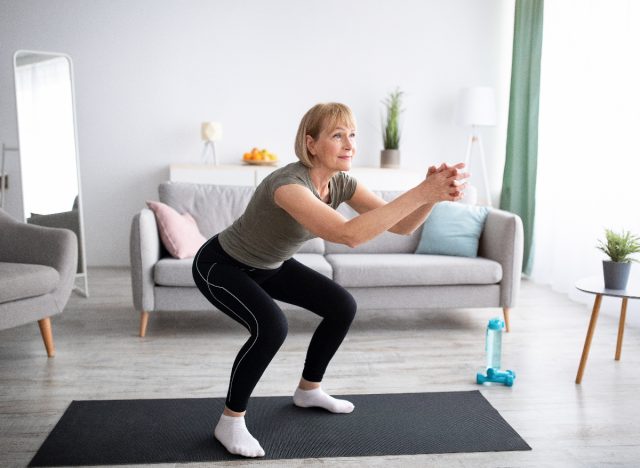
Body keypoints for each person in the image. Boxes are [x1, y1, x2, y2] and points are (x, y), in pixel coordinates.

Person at [192, 102, 468, 458]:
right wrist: (423, 191)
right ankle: (230, 420)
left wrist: (432, 196)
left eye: (352, 135)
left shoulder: (342, 183)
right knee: (271, 327)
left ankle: (309, 389)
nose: (350, 144)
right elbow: (348, 235)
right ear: (311, 143)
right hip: (222, 265)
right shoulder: (287, 186)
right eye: (338, 136)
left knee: (341, 306)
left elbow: (401, 226)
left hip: (270, 264)